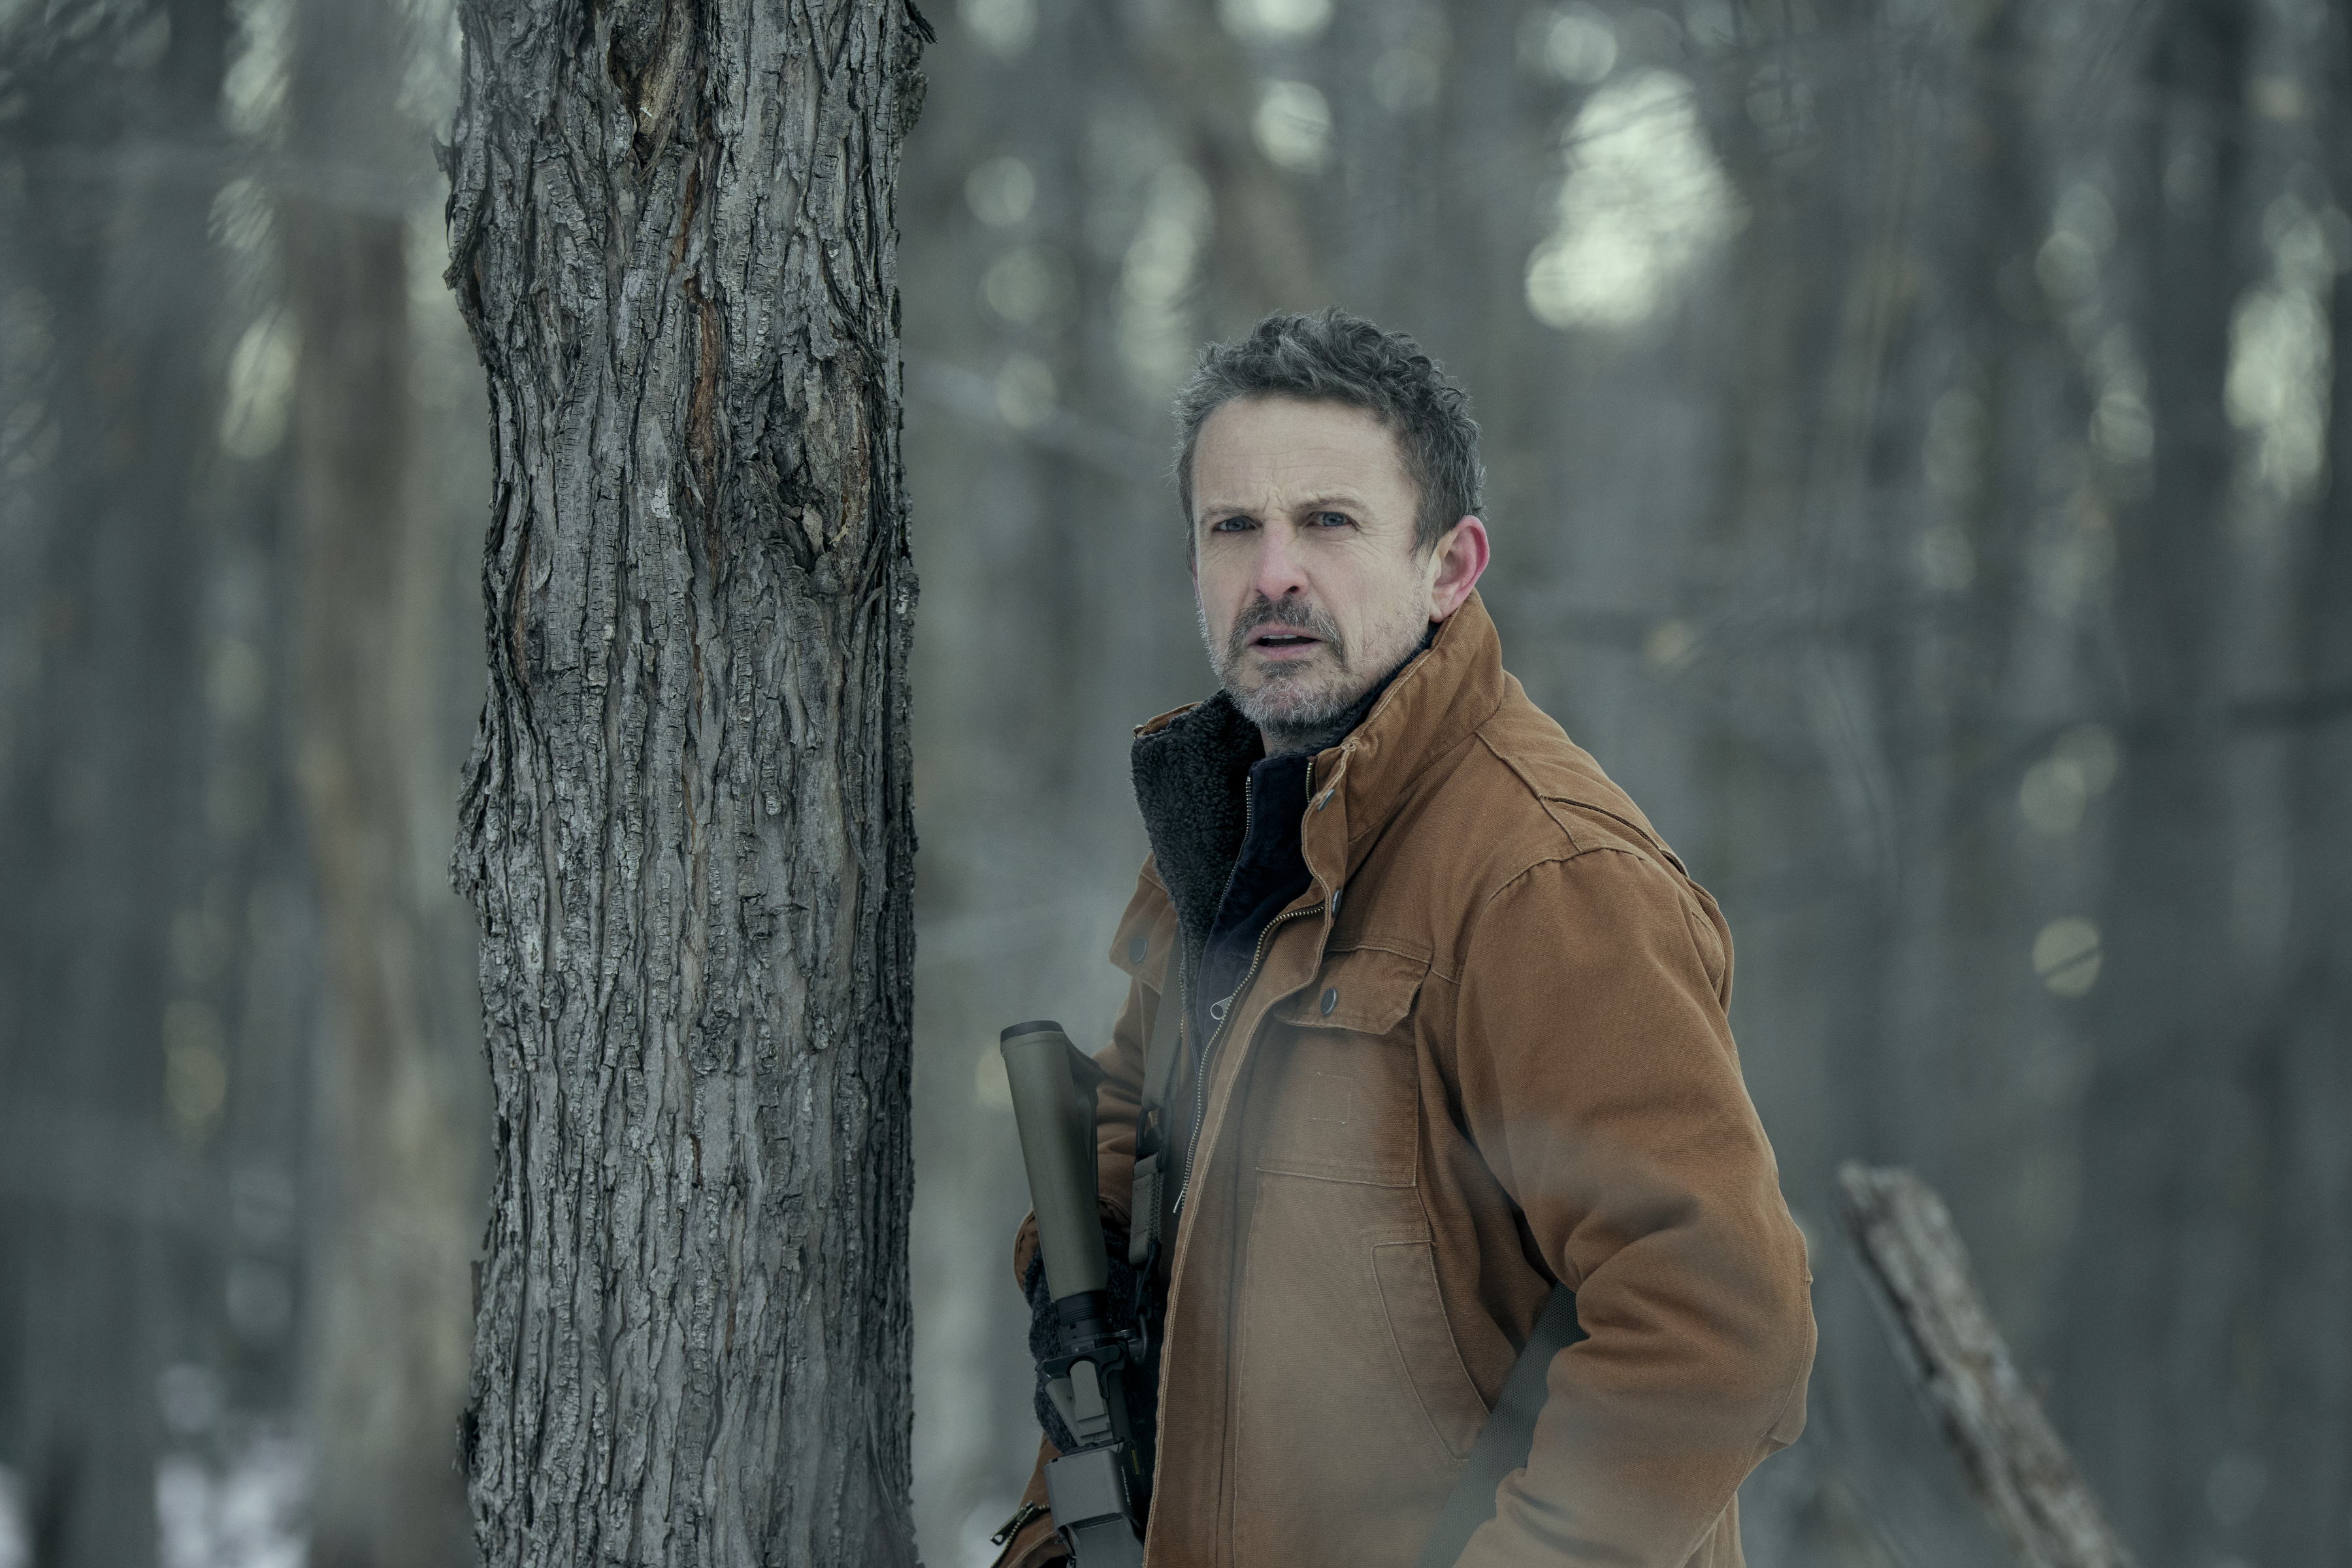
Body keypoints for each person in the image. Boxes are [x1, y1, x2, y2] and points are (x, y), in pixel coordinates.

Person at [991, 310, 1815, 1568]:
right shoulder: (1229, 830)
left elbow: (1718, 1326)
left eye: (1329, 522)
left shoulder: (1547, 877)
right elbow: (1136, 1160)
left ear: (1451, 565)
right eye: (1234, 528)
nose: (1275, 574)